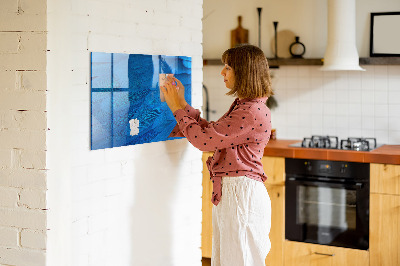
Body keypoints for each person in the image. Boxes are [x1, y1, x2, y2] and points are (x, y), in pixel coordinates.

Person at [161, 44, 273, 266]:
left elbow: (204, 141)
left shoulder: (250, 111)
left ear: (244, 72)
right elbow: (212, 133)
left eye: (228, 67)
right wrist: (182, 103)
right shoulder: (246, 106)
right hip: (236, 193)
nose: (222, 72)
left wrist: (176, 108)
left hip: (241, 195)